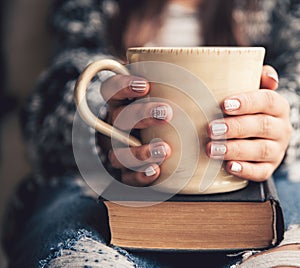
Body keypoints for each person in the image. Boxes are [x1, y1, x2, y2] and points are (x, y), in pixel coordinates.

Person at [2, 0, 300, 267]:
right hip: (98, 184)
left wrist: (278, 124)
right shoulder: (92, 6)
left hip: (264, 180)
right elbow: (54, 94)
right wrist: (108, 129)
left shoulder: (277, 6)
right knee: (76, 252)